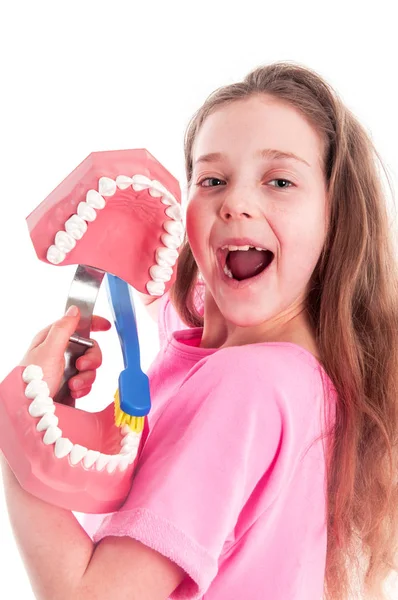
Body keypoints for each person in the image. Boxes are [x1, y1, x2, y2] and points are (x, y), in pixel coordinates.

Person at [1, 60, 398, 600]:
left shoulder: (246, 386)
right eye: (211, 179)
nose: (235, 203)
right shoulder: (270, 358)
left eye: (280, 181)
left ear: (335, 218)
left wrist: (22, 423)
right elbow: (169, 302)